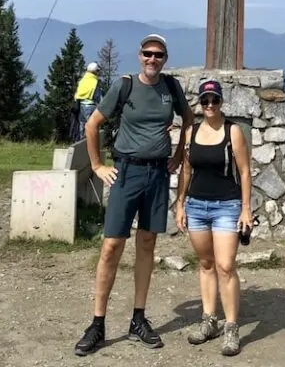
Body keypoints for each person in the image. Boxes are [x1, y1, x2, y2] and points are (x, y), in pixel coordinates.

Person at [74, 33, 193, 356]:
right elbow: (92, 124)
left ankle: (138, 319)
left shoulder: (171, 88)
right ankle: (97, 323)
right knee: (112, 245)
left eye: (158, 55)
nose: (152, 59)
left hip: (157, 173)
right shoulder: (124, 86)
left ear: (165, 58)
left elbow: (189, 120)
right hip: (126, 172)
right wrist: (97, 165)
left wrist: (179, 153)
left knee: (147, 244)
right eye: (147, 54)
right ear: (139, 56)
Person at [176, 79, 253, 357]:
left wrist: (246, 208)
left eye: (214, 100)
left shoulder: (233, 132)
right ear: (200, 103)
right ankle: (209, 319)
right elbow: (186, 169)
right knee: (206, 263)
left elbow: (244, 171)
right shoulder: (190, 132)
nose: (209, 105)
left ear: (221, 102)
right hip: (196, 204)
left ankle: (231, 326)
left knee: (225, 265)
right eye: (205, 100)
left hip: (226, 205)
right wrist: (180, 203)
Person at [74, 61, 103, 140]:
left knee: (82, 128)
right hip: (90, 107)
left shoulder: (82, 81)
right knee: (92, 128)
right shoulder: (94, 82)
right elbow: (98, 97)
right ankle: (91, 147)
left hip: (81, 106)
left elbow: (77, 94)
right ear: (95, 71)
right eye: (98, 71)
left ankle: (80, 147)